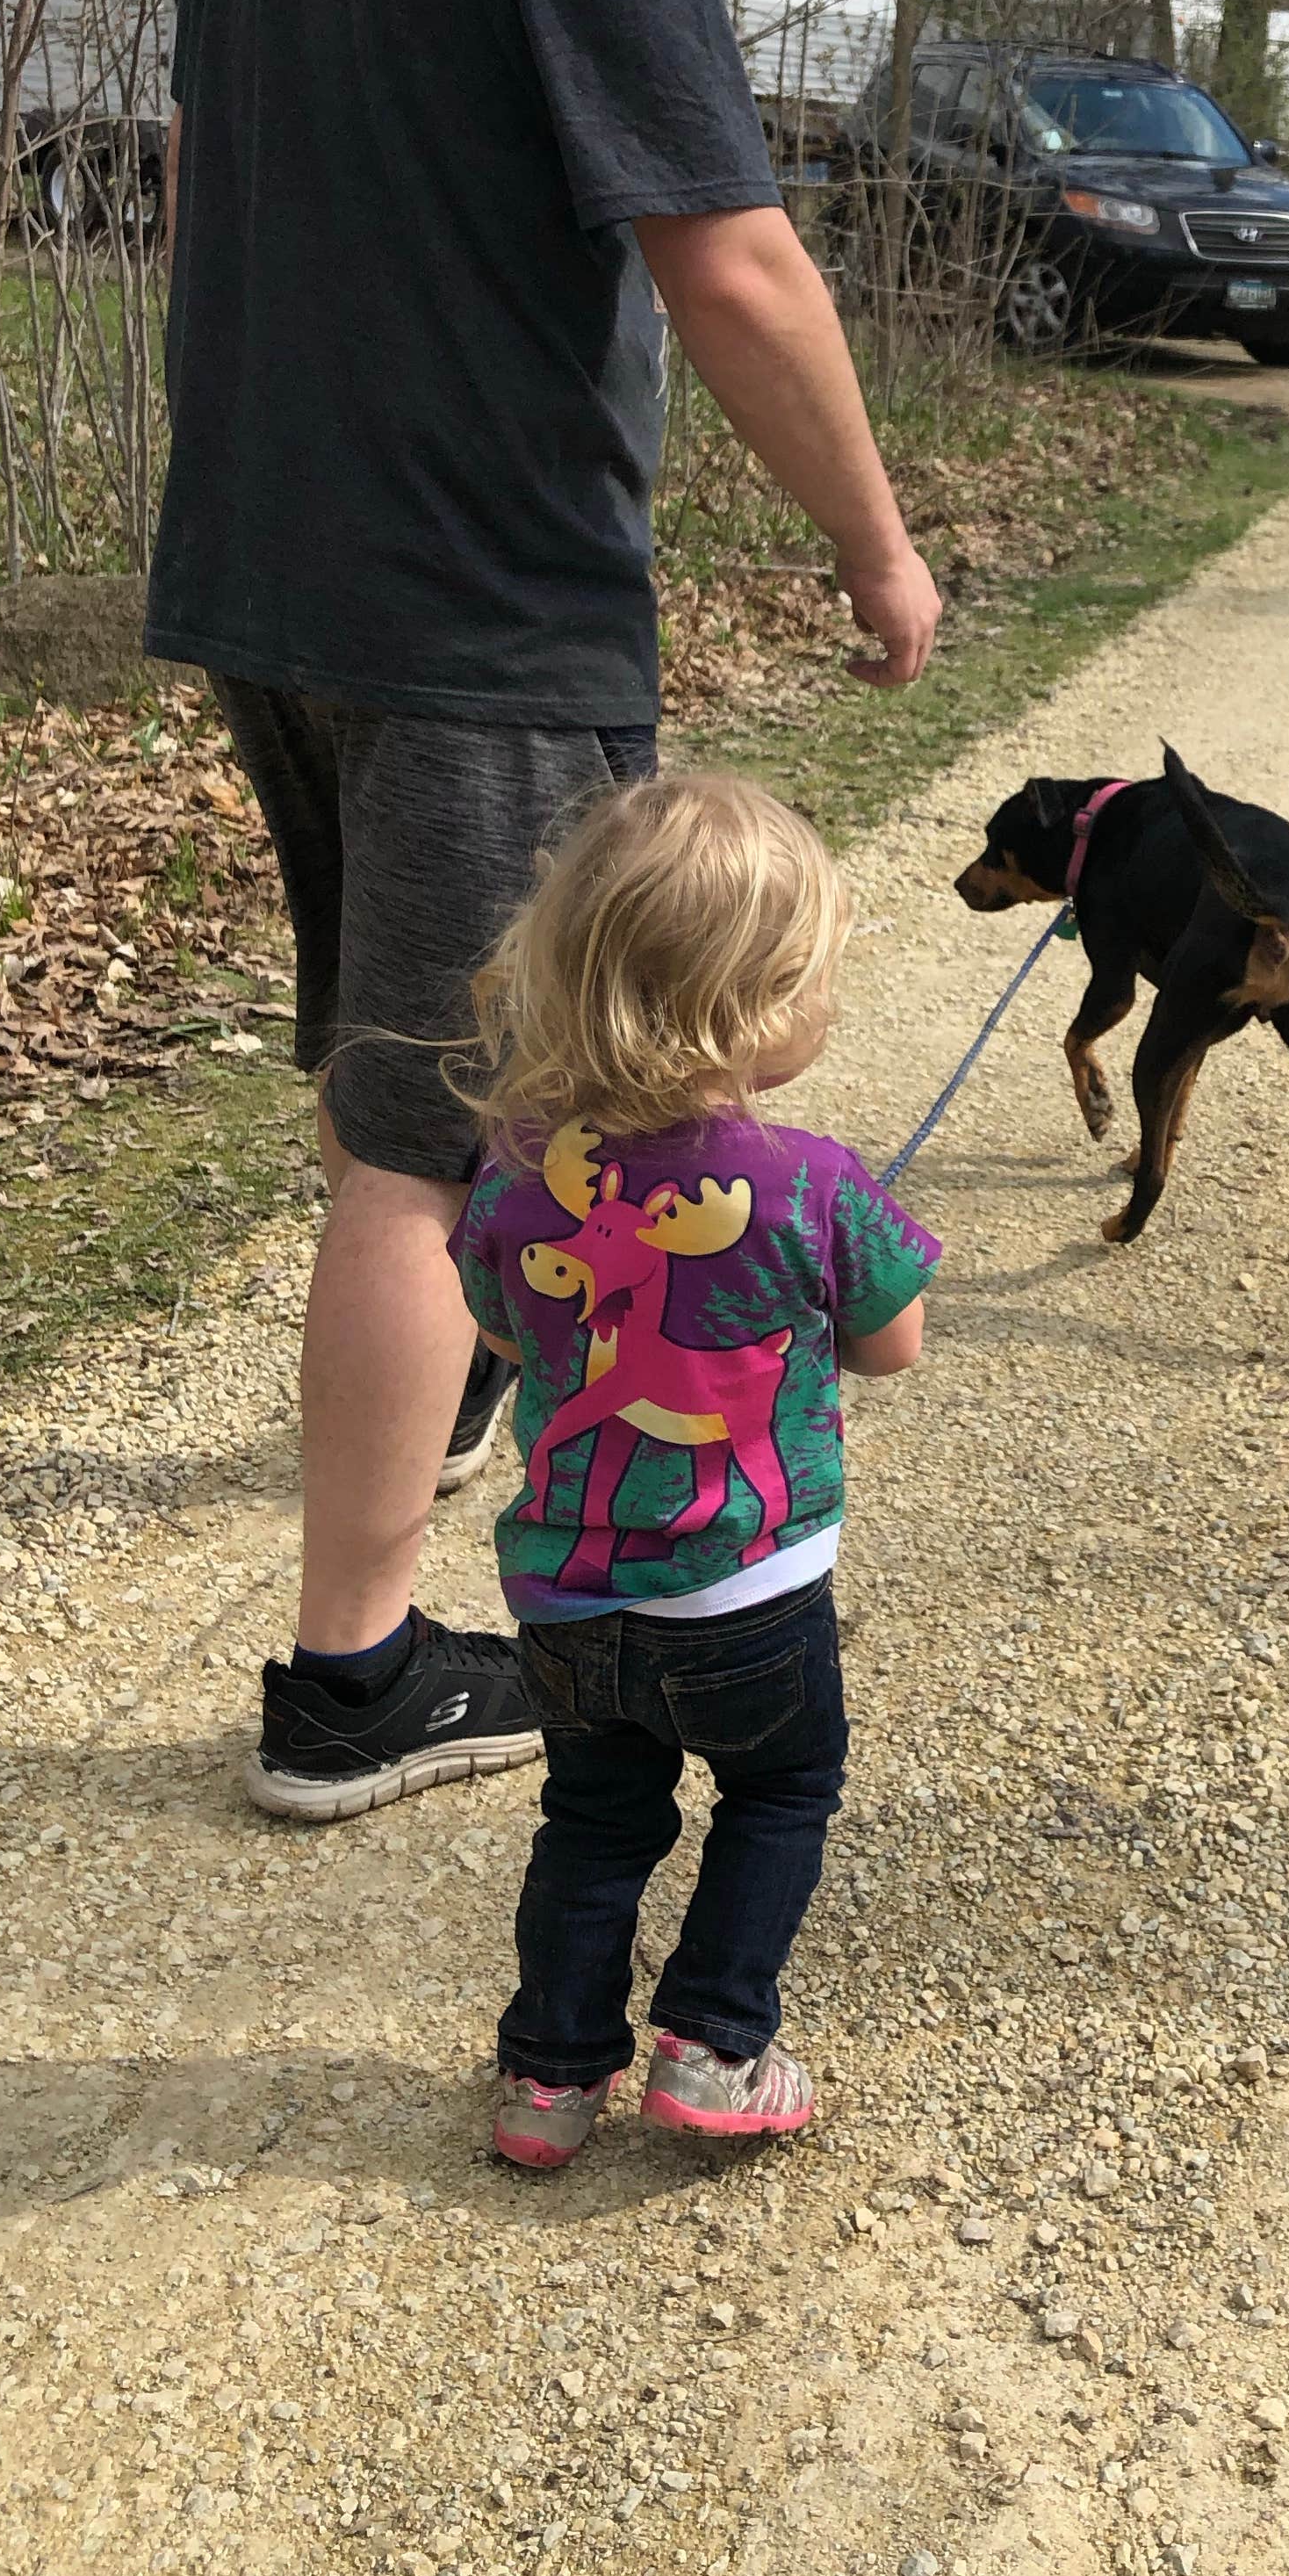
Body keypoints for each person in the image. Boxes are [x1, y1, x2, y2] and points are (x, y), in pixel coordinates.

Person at [144, 0, 940, 1821]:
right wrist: (879, 547)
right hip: (471, 597)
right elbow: (732, 260)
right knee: (441, 1133)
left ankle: (464, 1394)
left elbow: (203, 184)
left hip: (270, 563)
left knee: (434, 1080)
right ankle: (352, 1679)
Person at [450, 772, 936, 2163]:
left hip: (566, 1596)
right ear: (757, 1008)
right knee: (779, 1791)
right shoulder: (817, 1182)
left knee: (594, 1820)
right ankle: (716, 2046)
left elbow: (497, 1321)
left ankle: (548, 2078)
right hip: (750, 1600)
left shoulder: (518, 1176)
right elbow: (890, 1345)